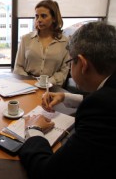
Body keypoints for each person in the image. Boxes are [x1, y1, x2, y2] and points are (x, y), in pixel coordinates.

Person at [18, 21, 116, 179]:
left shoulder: (102, 108)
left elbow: (48, 173)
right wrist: (65, 96)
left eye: (71, 62)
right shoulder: (108, 92)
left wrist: (33, 130)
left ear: (83, 64)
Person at [13, 0, 70, 86]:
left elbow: (63, 71)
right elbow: (18, 67)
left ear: (54, 18)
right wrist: (31, 82)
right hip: (27, 86)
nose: (39, 20)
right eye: (37, 16)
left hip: (52, 88)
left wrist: (46, 83)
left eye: (43, 16)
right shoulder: (26, 39)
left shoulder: (65, 42)